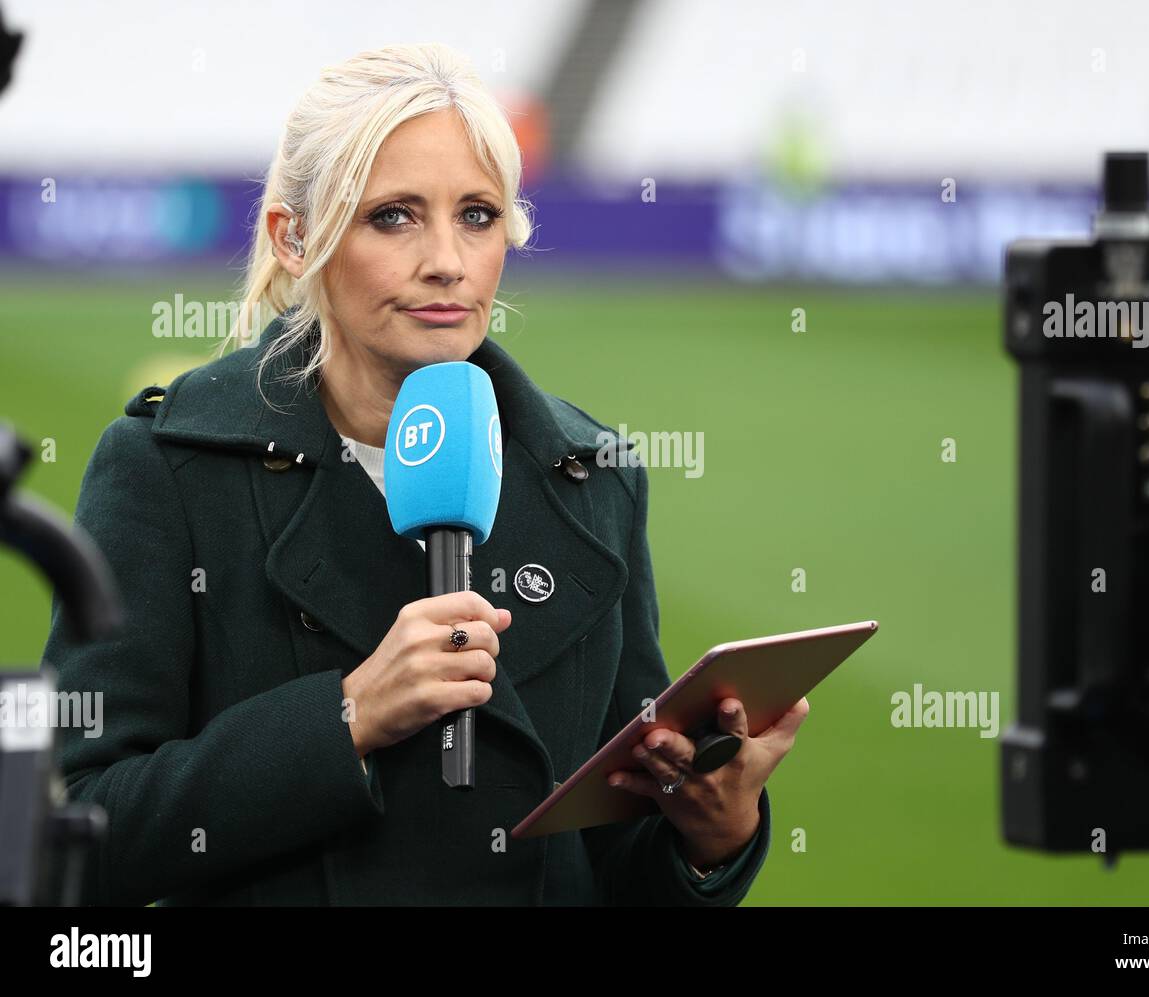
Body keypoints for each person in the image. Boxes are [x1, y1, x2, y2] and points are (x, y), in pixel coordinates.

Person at [42, 41, 810, 906]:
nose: (447, 260)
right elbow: (74, 827)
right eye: (395, 216)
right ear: (293, 238)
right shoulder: (166, 468)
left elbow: (609, 859)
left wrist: (712, 833)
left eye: (477, 215)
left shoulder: (596, 480)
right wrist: (346, 717)